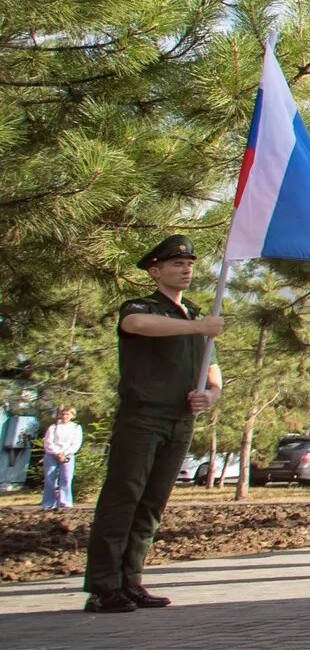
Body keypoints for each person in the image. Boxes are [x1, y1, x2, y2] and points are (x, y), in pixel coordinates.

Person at [85, 236, 224, 611]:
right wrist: (199, 328)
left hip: (180, 420)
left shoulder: (195, 315)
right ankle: (103, 586)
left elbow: (213, 373)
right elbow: (137, 325)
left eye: (190, 264)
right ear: (155, 270)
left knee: (151, 504)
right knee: (123, 498)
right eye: (177, 264)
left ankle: (131, 580)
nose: (186, 270)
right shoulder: (143, 306)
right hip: (143, 417)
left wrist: (210, 396)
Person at [40, 406, 82, 511]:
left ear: (72, 416)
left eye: (67, 414)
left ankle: (65, 502)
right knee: (50, 479)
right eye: (63, 414)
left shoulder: (76, 427)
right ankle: (49, 503)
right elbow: (48, 442)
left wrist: (65, 453)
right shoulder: (53, 427)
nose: (65, 416)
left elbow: (76, 444)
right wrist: (57, 453)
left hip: (67, 455)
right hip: (52, 455)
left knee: (66, 478)